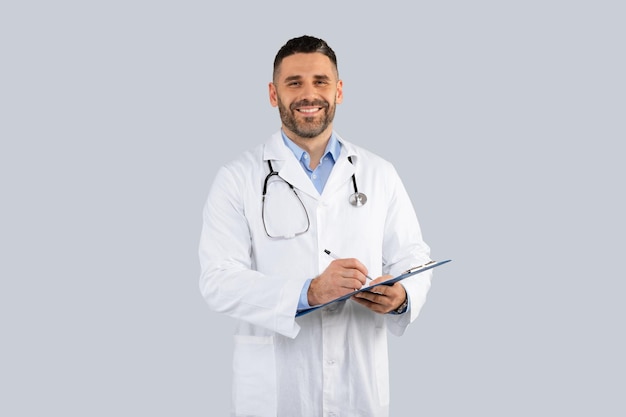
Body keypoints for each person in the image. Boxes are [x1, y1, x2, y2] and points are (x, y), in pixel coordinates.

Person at [199, 35, 433, 417]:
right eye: (294, 83)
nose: (309, 94)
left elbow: (414, 254)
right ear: (273, 95)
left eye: (321, 82)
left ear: (339, 90)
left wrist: (402, 295)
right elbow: (217, 280)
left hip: (359, 386)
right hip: (276, 390)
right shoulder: (236, 178)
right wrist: (308, 292)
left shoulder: (379, 173)